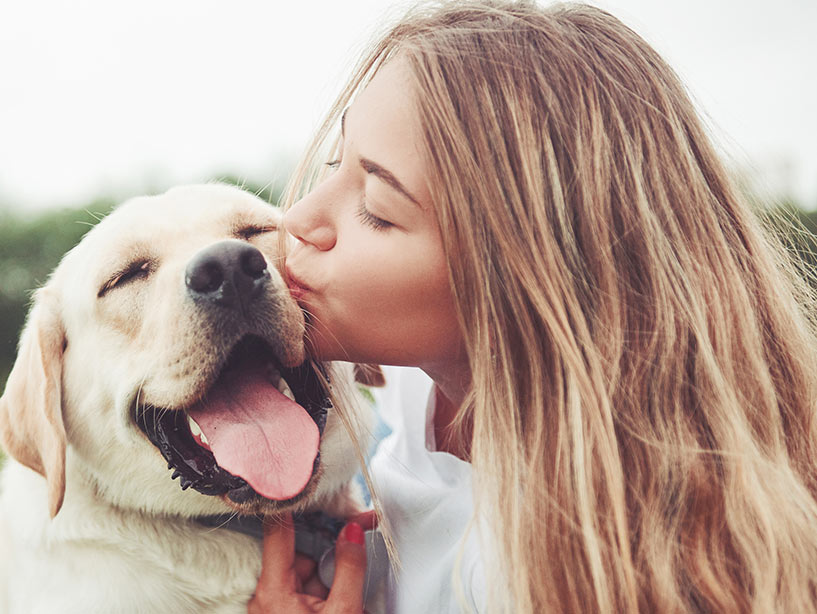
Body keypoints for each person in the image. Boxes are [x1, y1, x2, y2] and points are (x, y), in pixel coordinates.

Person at [248, 1, 817, 612]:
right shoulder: (422, 391)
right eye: (336, 163)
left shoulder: (574, 576)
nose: (300, 218)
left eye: (378, 210)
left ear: (520, 280)